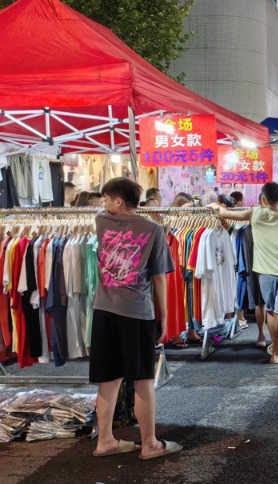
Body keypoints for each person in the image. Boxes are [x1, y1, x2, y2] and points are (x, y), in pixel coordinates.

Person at [89, 177, 182, 460]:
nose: (102, 204)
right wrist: (164, 315)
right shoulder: (153, 230)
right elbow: (158, 278)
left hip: (104, 310)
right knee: (142, 380)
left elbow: (109, 209)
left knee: (109, 379)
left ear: (118, 202)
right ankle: (150, 444)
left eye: (106, 198)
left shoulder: (102, 221)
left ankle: (105, 440)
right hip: (137, 312)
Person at [216, 182, 278, 363]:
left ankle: (273, 348)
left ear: (263, 198)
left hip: (265, 273)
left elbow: (226, 214)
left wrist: (215, 206)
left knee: (270, 311)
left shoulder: (255, 214)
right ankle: (277, 351)